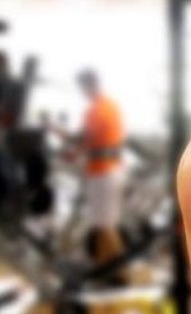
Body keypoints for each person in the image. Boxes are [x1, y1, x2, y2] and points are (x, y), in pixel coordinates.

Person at [74, 69, 126, 274]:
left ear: (87, 86)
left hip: (103, 170)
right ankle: (106, 269)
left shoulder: (98, 109)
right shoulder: (108, 106)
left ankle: (121, 271)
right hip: (106, 168)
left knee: (105, 224)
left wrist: (72, 150)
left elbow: (87, 137)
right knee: (102, 224)